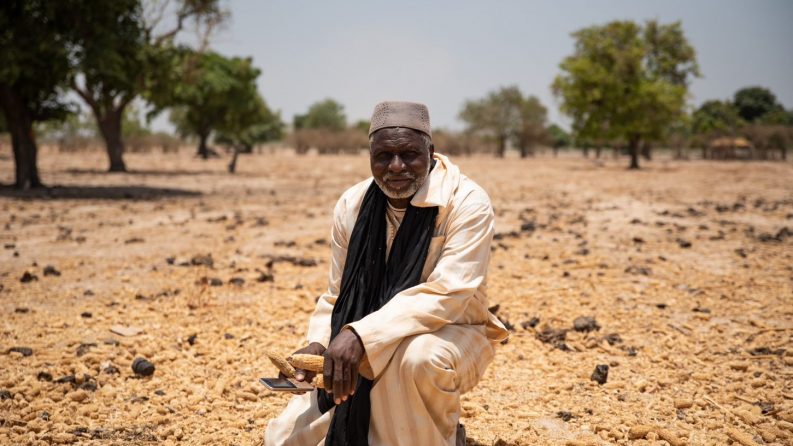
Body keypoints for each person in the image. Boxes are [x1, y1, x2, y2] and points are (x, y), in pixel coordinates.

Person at [265, 101, 508, 446]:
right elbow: (337, 294)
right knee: (288, 440)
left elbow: (448, 294)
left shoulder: (466, 202)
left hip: (454, 333)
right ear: (370, 157)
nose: (396, 167)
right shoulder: (353, 205)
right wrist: (320, 343)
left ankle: (440, 436)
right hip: (367, 335)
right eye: (383, 156)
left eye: (409, 154)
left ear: (431, 152)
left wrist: (360, 336)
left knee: (415, 358)